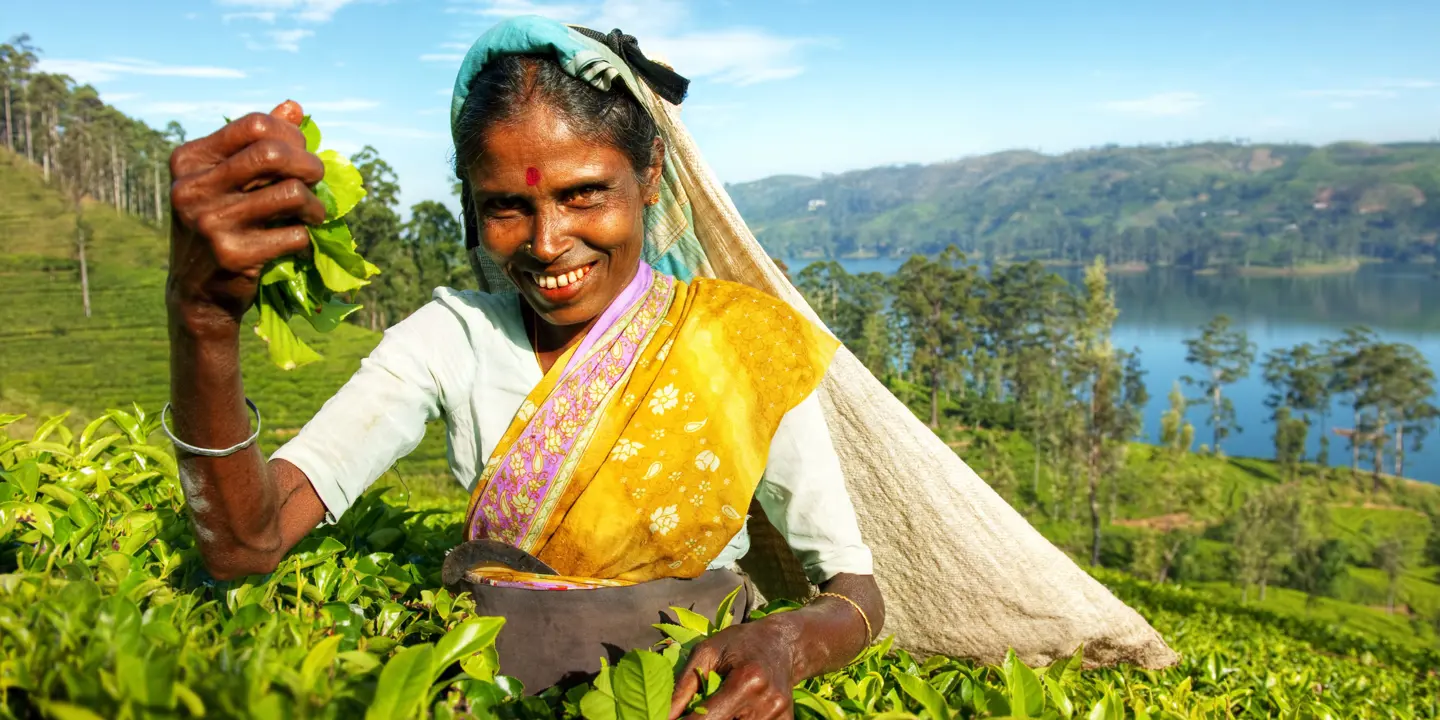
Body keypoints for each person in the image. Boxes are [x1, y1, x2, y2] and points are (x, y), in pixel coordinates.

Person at [164, 14, 883, 719]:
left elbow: (855, 592)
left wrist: (784, 645)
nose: (545, 243)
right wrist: (203, 318)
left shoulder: (743, 345)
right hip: (492, 700)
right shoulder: (453, 339)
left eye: (583, 194)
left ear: (651, 174)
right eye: (507, 206)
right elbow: (244, 544)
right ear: (473, 209)